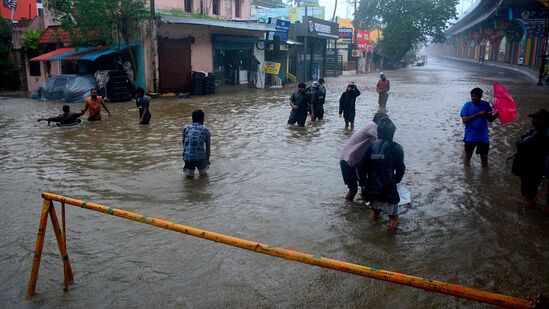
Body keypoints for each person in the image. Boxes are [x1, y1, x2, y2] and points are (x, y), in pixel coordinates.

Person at [359, 117, 405, 229]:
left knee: (375, 212)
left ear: (379, 132)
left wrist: (364, 183)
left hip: (372, 188)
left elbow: (361, 167)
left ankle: (371, 235)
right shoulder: (397, 148)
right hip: (389, 189)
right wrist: (396, 180)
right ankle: (389, 243)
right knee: (393, 218)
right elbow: (401, 169)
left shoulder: (371, 146)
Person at [508, 109, 549, 210]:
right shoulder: (537, 132)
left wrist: (520, 145)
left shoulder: (541, 135)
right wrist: (517, 152)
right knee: (531, 190)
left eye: (534, 119)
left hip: (532, 168)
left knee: (529, 192)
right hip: (532, 167)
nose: (532, 120)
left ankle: (531, 211)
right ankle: (533, 204)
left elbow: (521, 144)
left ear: (542, 121)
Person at [460, 87, 499, 167]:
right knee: (467, 158)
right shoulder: (467, 105)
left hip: (483, 137)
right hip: (470, 136)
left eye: (474, 96)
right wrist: (478, 114)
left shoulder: (486, 105)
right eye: (471, 96)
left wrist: (497, 115)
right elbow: (464, 120)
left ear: (480, 96)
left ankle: (485, 175)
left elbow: (490, 119)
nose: (472, 98)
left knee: (484, 159)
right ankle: (467, 176)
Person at [340, 121, 378, 201]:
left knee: (364, 185)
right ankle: (348, 207)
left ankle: (359, 207)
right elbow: (382, 140)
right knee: (353, 189)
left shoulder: (369, 127)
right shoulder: (372, 126)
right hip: (349, 160)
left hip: (353, 160)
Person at [182, 109, 211, 178]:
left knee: (188, 177)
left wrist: (184, 157)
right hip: (200, 158)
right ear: (203, 119)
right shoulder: (206, 130)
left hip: (188, 158)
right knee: (204, 176)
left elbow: (184, 144)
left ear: (192, 119)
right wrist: (207, 160)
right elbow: (208, 148)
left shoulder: (186, 128)